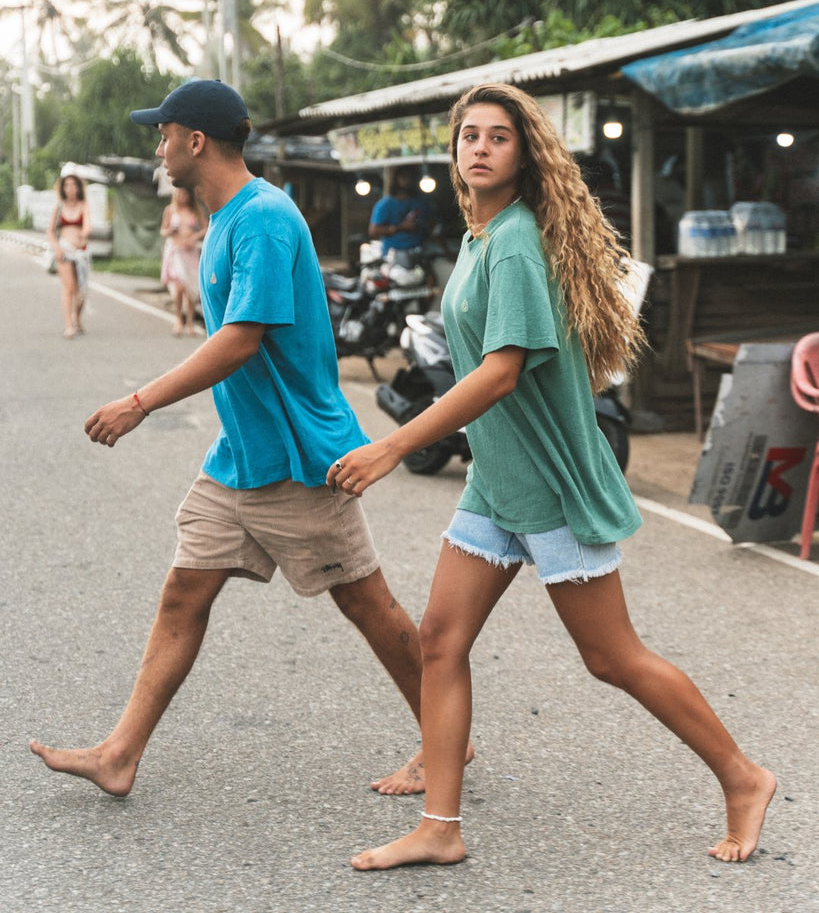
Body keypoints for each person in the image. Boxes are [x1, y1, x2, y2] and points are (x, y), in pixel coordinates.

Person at [327, 83, 776, 870]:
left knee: (610, 656)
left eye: (498, 137)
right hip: (496, 478)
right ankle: (441, 824)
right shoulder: (479, 235)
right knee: (440, 641)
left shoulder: (513, 240)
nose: (478, 147)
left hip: (548, 479)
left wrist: (394, 446)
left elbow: (501, 372)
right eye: (468, 135)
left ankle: (743, 777)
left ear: (524, 153)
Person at [30, 79, 462, 800]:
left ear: (195, 141)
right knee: (182, 593)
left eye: (162, 133)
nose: (157, 146)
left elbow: (239, 341)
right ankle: (119, 754)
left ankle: (448, 741)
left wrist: (139, 402)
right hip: (242, 459)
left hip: (297, 459)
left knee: (366, 605)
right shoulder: (226, 217)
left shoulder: (261, 218)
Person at [46, 173, 92, 338]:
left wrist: (84, 234)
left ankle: (77, 318)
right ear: (62, 188)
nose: (70, 188)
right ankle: (69, 325)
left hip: (80, 252)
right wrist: (57, 248)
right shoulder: (59, 207)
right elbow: (50, 231)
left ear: (78, 187)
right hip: (64, 250)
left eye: (73, 185)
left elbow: (87, 225)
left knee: (81, 290)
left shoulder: (83, 205)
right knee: (69, 288)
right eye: (67, 185)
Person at [160, 185, 208, 336]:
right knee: (179, 286)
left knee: (192, 288)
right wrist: (169, 231)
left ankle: (190, 322)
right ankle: (179, 319)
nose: (182, 197)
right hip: (176, 251)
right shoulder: (170, 210)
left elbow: (207, 227)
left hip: (190, 252)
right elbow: (163, 230)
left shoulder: (195, 210)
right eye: (179, 194)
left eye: (185, 194)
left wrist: (194, 238)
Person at [368, 165, 434, 256]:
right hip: (394, 254)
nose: (408, 181)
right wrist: (401, 227)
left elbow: (433, 225)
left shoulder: (422, 202)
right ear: (396, 179)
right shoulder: (385, 204)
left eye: (411, 177)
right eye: (404, 177)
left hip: (420, 252)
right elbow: (374, 230)